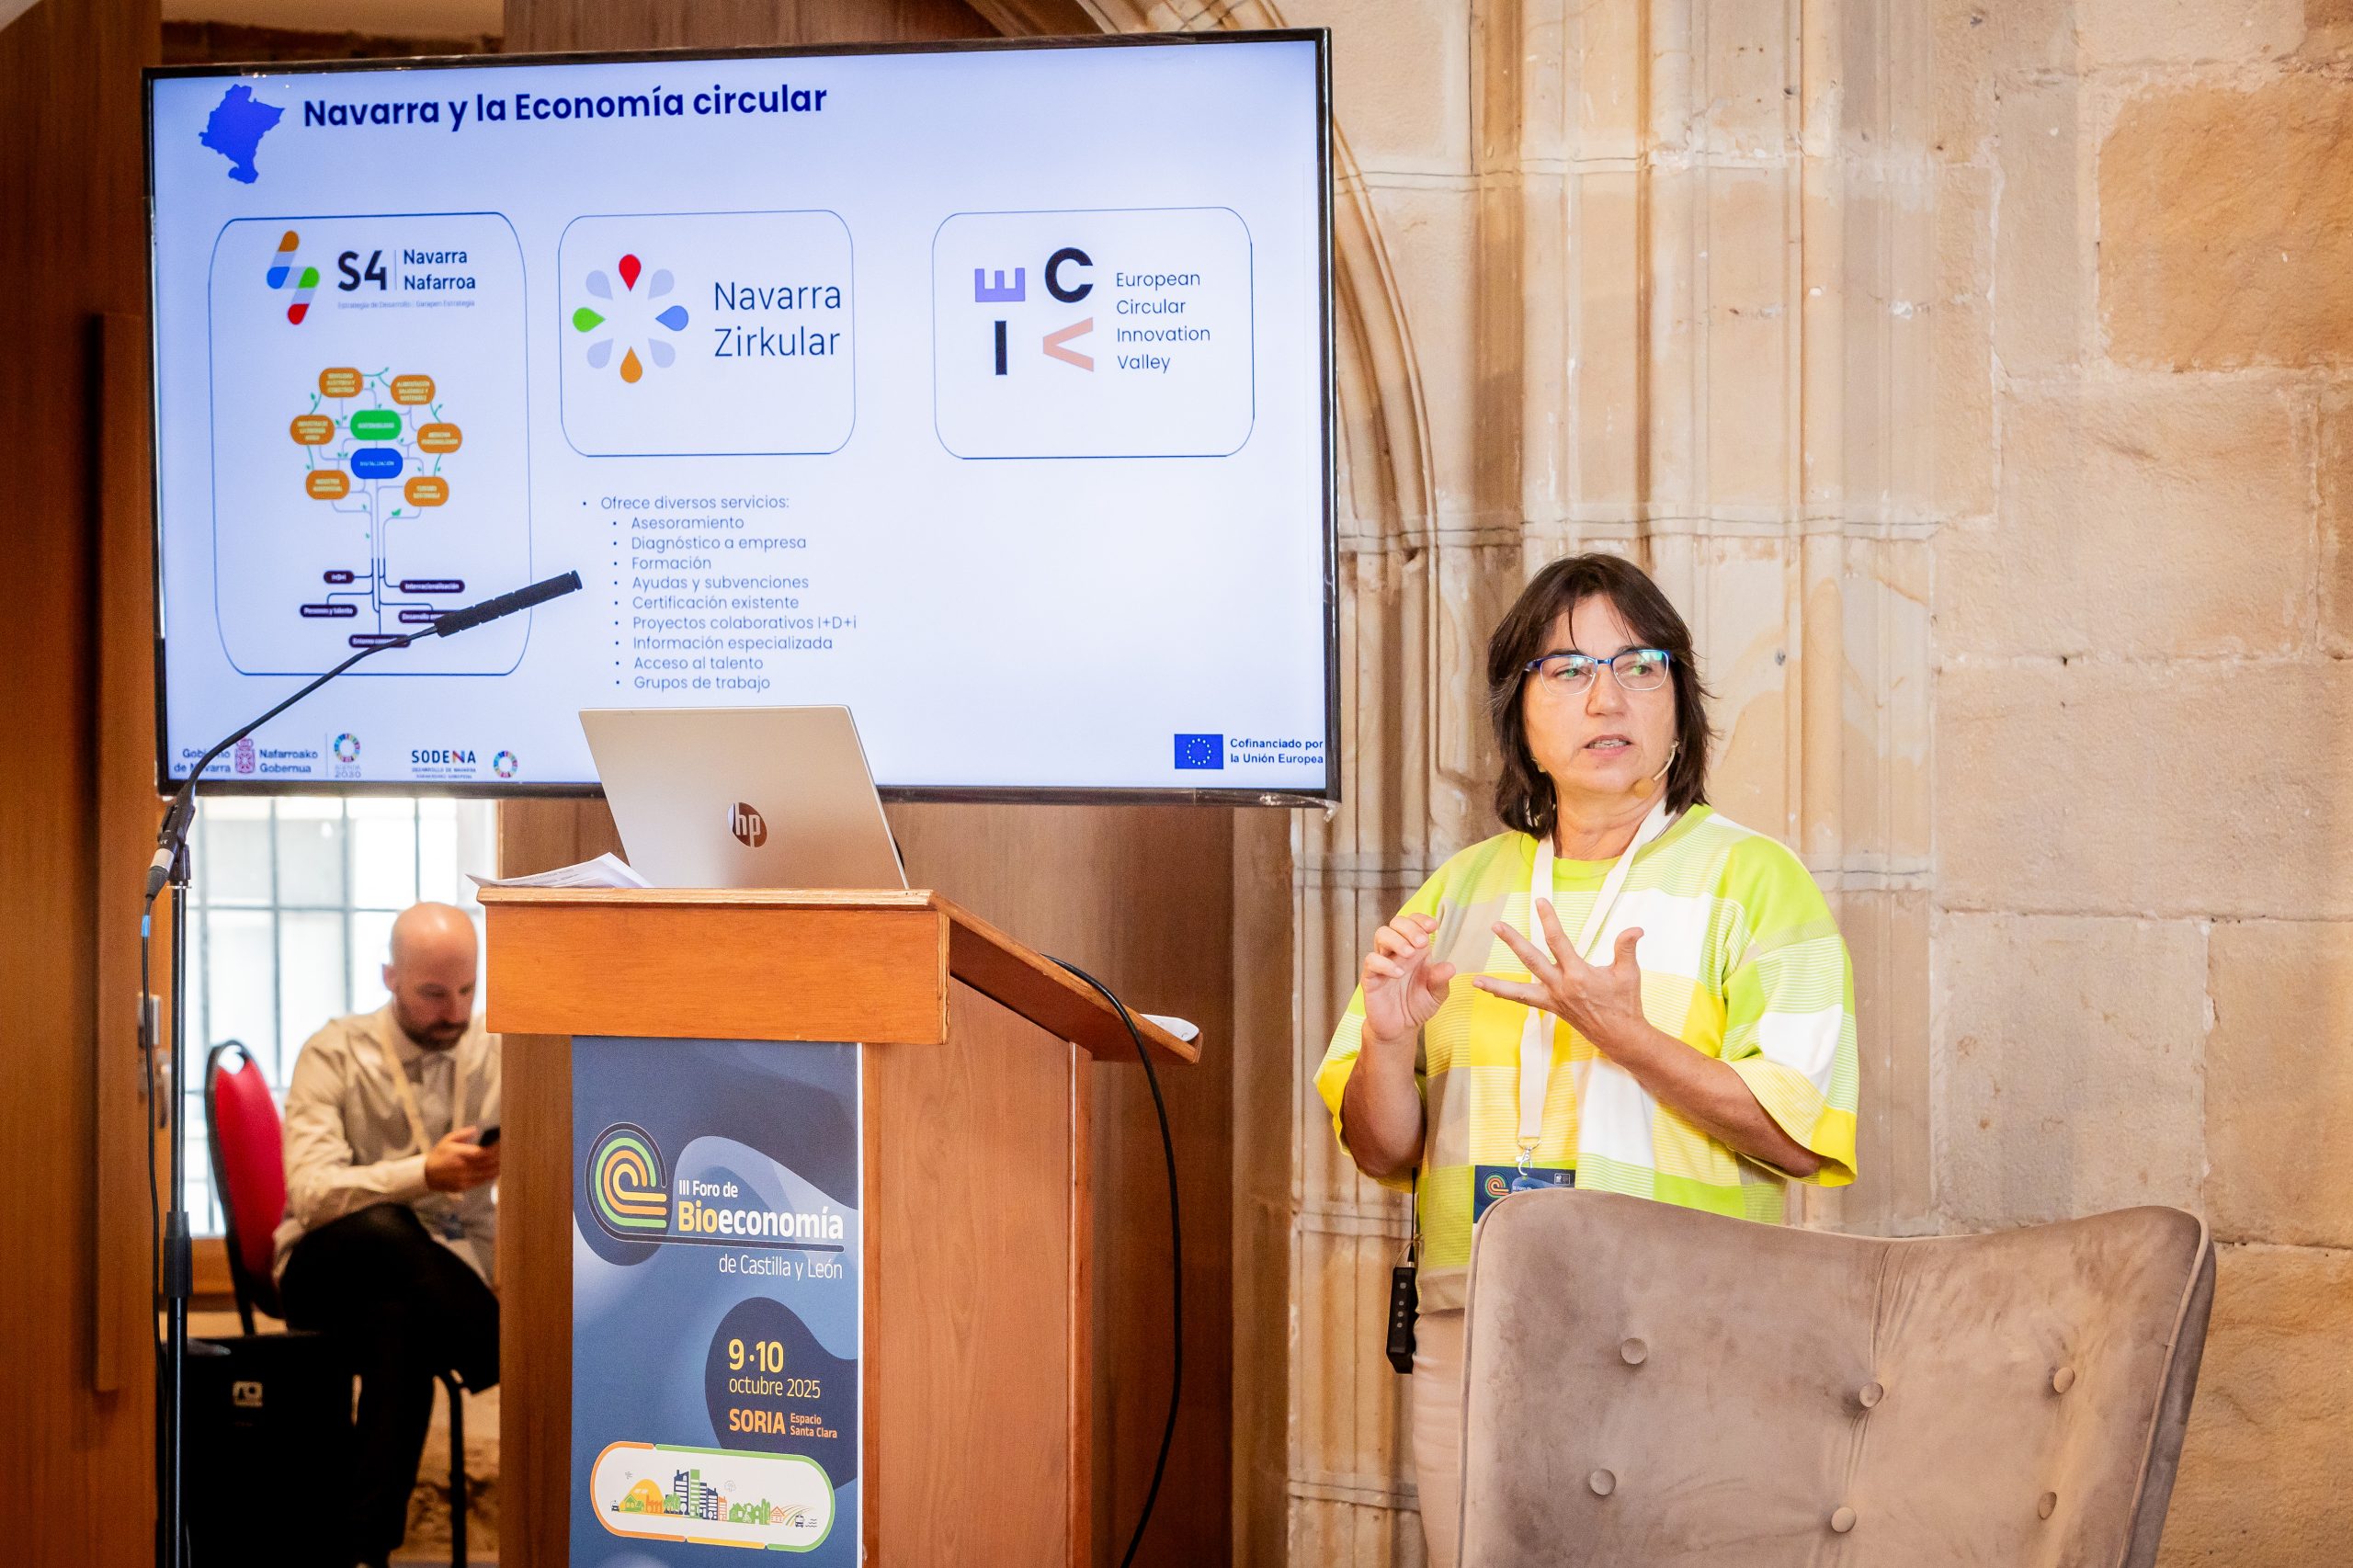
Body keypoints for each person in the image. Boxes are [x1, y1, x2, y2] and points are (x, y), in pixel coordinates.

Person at [1314, 553, 1860, 1568]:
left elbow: (1798, 1133)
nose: (1606, 698)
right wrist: (1386, 1040)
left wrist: (1628, 1038)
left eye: (1639, 665)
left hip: (1686, 1322)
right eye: (1566, 670)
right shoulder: (1459, 890)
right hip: (1477, 1321)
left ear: (1679, 700)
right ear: (1517, 714)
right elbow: (1381, 1148)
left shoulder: (1754, 881)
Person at [276, 901, 503, 1568]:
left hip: (418, 1287)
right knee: (387, 1224)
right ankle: (497, 1347)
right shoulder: (334, 1052)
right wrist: (423, 1173)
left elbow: (485, 1210)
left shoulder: (493, 1053)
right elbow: (312, 1194)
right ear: (389, 978)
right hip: (323, 1268)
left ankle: (363, 1551)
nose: (455, 1013)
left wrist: (506, 1271)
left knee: (398, 1325)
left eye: (468, 990)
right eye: (433, 994)